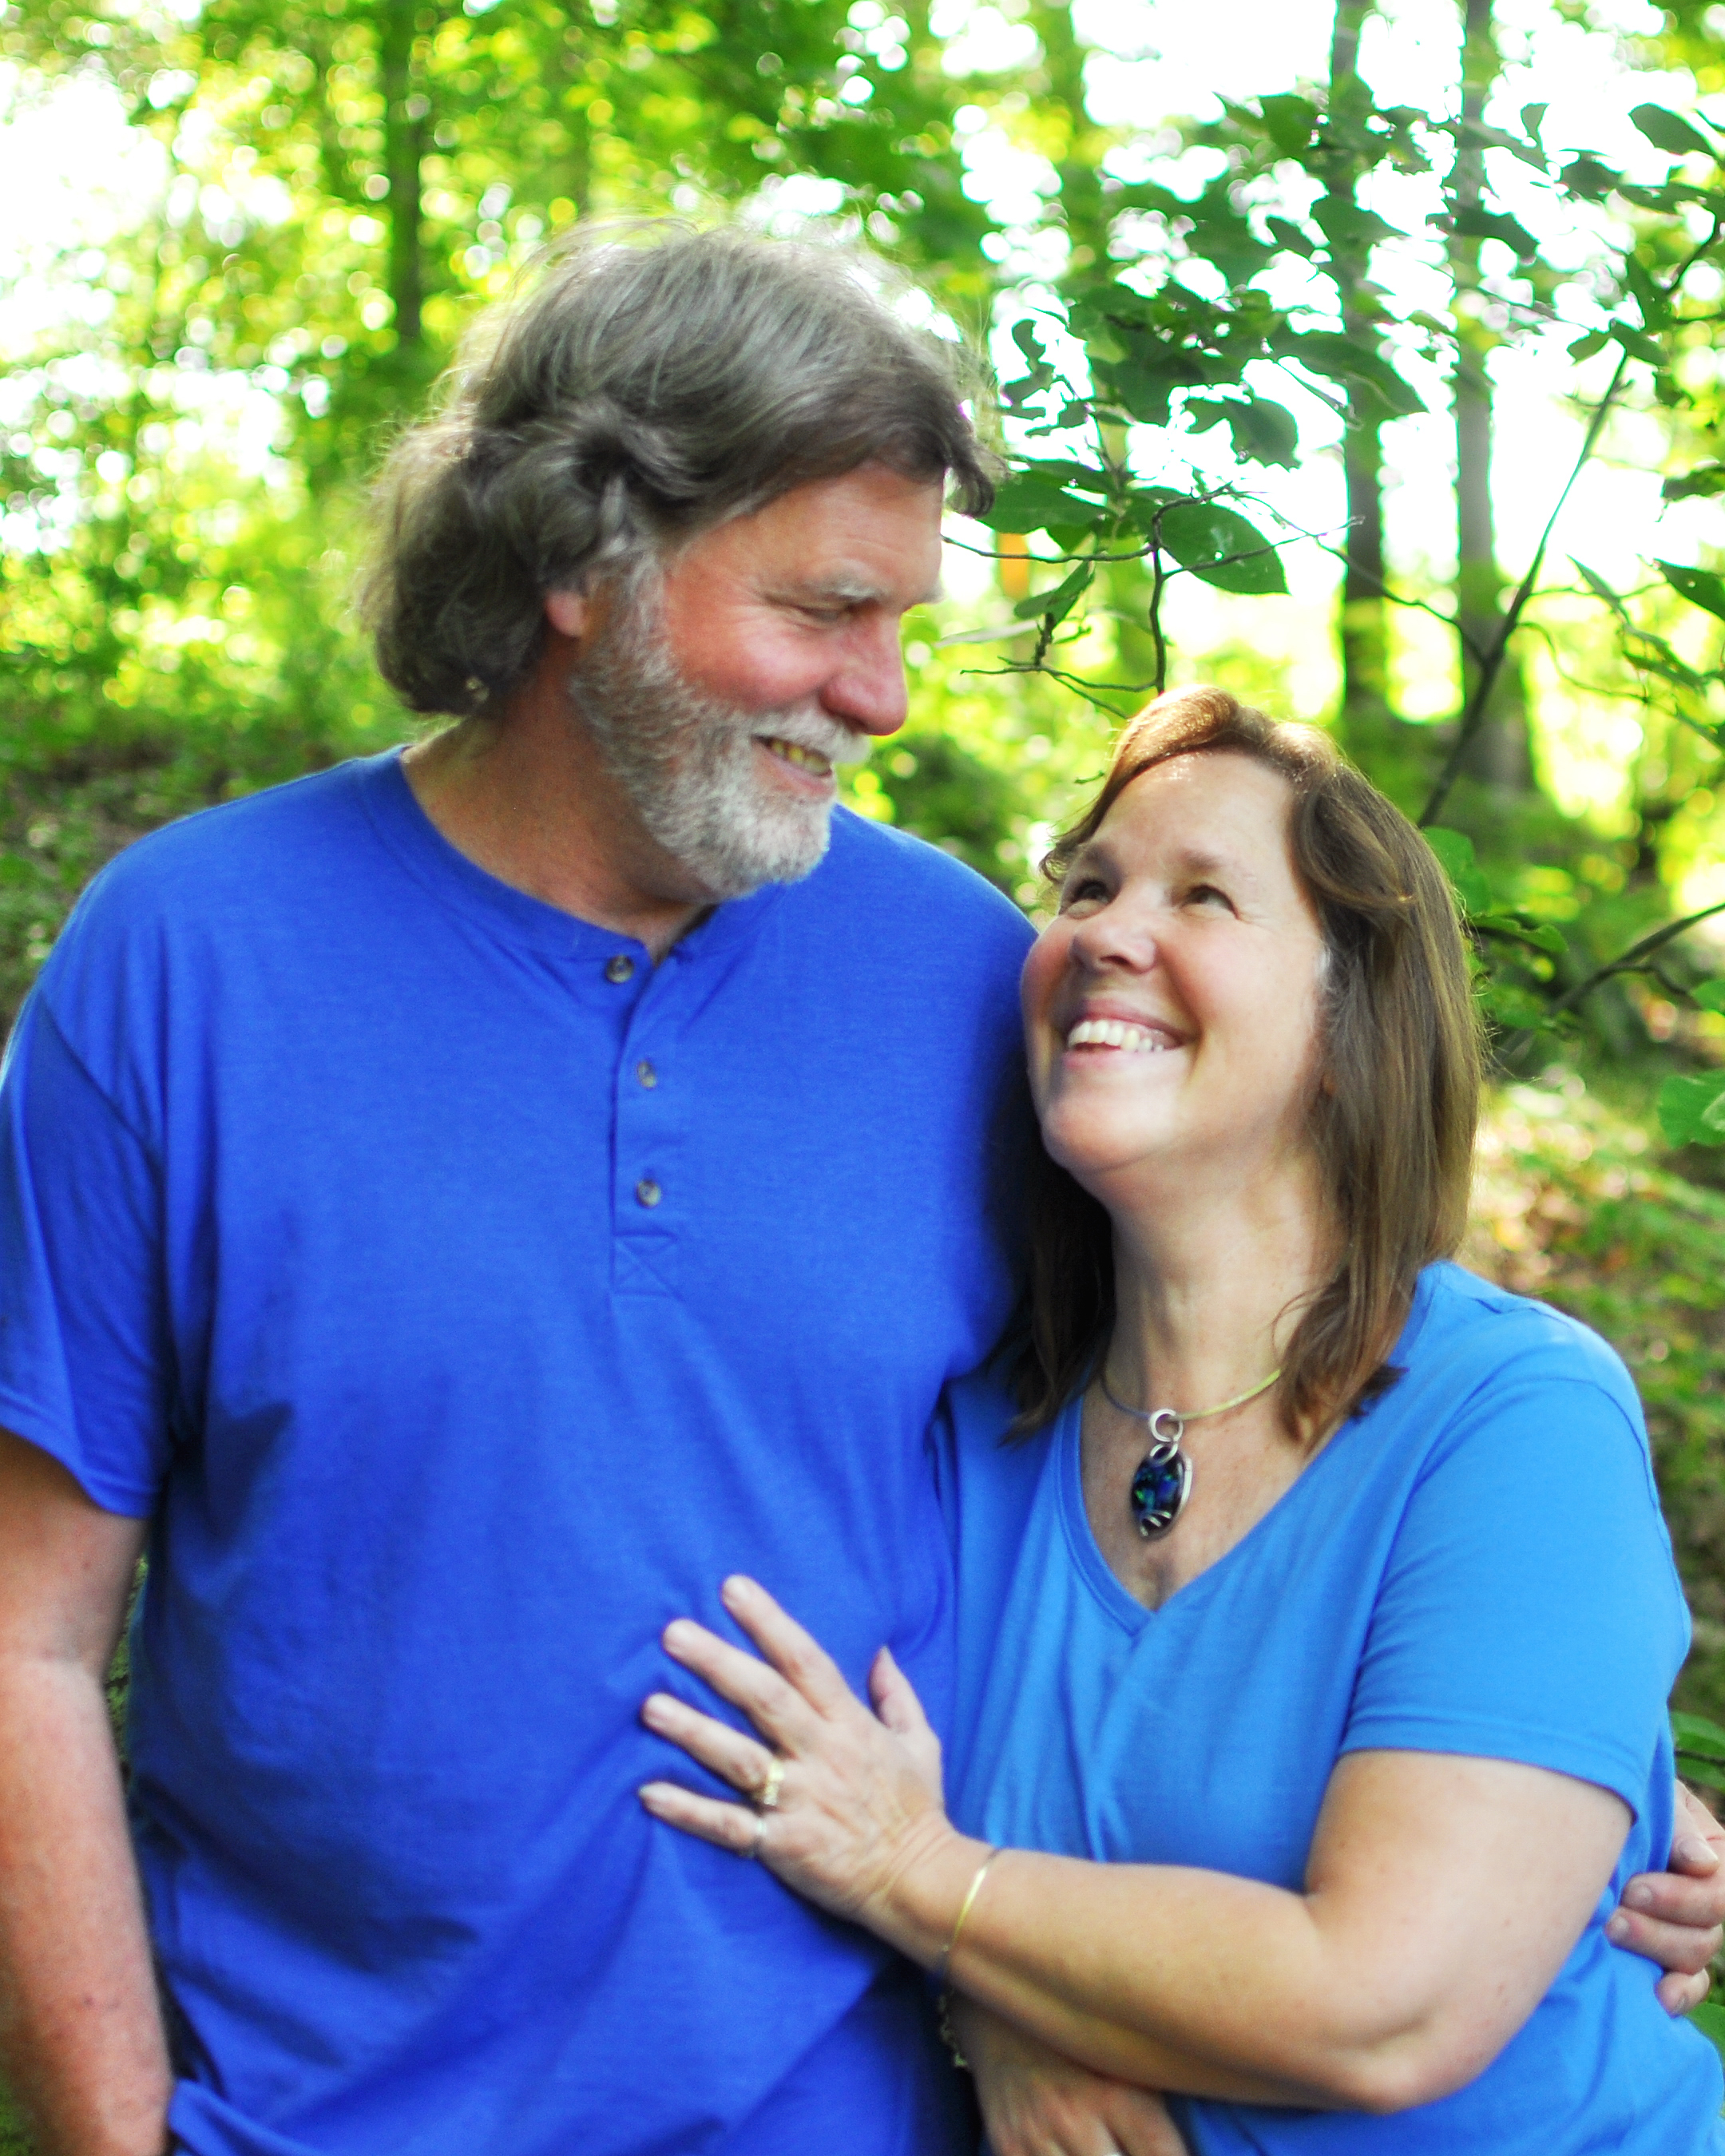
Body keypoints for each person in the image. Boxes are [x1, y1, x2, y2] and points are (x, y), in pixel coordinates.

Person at [0, 228, 1713, 2156]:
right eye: (827, 608)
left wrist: (1574, 1785)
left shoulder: (968, 985)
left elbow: (1258, 1411)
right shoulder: (188, 962)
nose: (884, 698)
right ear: (581, 558)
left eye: (905, 620)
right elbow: (25, 1638)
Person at [637, 687, 1725, 2156]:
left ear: (1349, 1025)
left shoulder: (1514, 1422)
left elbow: (1389, 2003)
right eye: (1088, 887)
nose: (1107, 933)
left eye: (1203, 895)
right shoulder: (965, 1440)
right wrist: (992, 2009)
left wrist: (921, 1881)